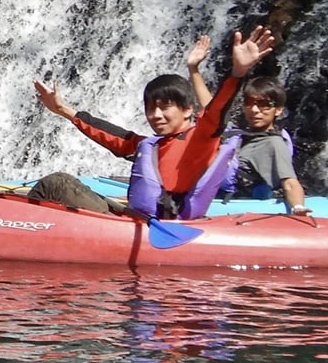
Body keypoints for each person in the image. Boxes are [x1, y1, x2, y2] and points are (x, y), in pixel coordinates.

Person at [29, 26, 278, 219]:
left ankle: (23, 236)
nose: (156, 115)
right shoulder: (155, 144)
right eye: (151, 109)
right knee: (71, 186)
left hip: (156, 225)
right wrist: (63, 110)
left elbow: (217, 111)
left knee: (56, 184)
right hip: (138, 220)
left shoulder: (201, 138)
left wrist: (237, 73)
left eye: (165, 107)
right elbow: (114, 136)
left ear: (188, 110)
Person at [197, 76, 310, 217]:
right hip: (219, 200)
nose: (255, 110)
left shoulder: (274, 144)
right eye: (249, 103)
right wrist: (193, 70)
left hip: (237, 207)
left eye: (264, 104)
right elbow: (212, 110)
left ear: (278, 110)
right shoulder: (242, 134)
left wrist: (298, 208)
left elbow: (290, 183)